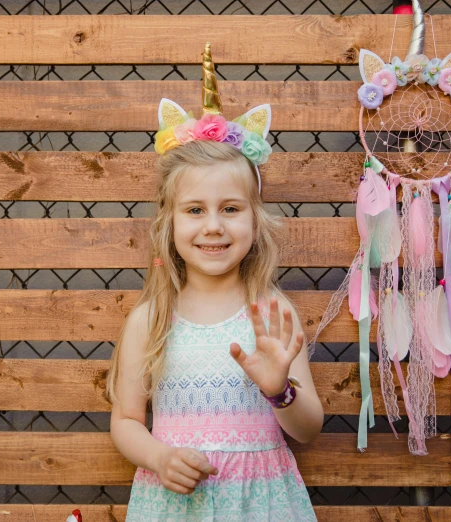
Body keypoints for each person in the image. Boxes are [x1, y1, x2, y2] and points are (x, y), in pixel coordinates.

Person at [106, 43, 322, 521]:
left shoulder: (272, 314)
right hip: (174, 505)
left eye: (230, 208)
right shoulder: (151, 319)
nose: (213, 226)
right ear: (169, 223)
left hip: (260, 504)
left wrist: (279, 391)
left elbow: (307, 429)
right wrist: (159, 457)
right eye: (195, 210)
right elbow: (125, 421)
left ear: (254, 219)